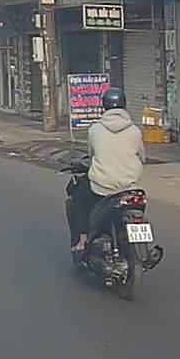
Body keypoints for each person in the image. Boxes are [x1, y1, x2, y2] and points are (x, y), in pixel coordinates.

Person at [69, 87, 146, 253]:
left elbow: (92, 155)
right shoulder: (135, 131)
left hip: (101, 187)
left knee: (80, 196)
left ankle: (83, 238)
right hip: (129, 187)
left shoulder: (94, 130)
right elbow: (142, 157)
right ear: (124, 105)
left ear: (104, 106)